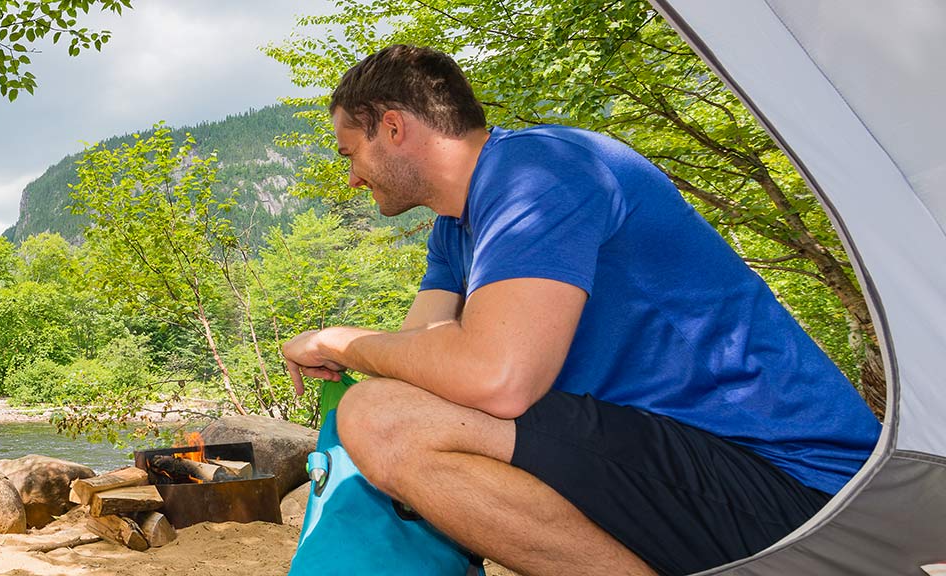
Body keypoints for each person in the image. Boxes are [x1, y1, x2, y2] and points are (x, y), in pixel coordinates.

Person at [279, 45, 879, 576]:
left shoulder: (540, 172)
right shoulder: (454, 230)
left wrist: (338, 342)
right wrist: (373, 355)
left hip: (800, 488)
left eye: (350, 152)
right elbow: (421, 361)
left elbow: (497, 379)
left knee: (382, 418)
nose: (352, 178)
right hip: (674, 468)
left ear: (392, 127)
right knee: (396, 407)